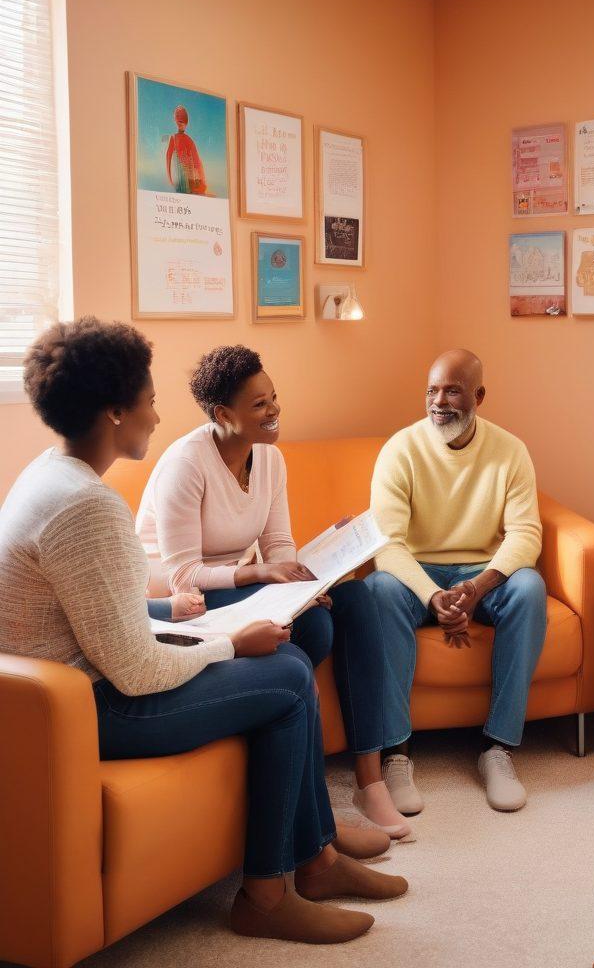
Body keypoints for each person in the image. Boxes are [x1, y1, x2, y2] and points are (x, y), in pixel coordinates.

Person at [0, 318, 408, 945]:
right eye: (149, 401)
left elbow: (96, 616)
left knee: (298, 651)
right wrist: (227, 642)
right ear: (114, 412)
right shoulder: (89, 507)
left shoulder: (49, 475)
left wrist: (173, 617)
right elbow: (135, 672)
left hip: (80, 678)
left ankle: (316, 859)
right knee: (290, 677)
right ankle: (271, 895)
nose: (157, 417)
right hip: (90, 704)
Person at [135, 345, 412, 842]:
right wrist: (259, 576)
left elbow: (279, 545)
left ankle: (370, 780)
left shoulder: (270, 459)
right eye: (259, 404)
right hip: (183, 602)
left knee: (351, 601)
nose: (274, 410)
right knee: (310, 630)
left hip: (243, 585)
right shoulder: (186, 463)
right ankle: (305, 792)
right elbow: (182, 576)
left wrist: (312, 577)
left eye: (274, 398)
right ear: (223, 414)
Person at [366, 349, 546, 814]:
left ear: (479, 396)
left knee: (528, 587)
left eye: (452, 390)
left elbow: (526, 533)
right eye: (432, 390)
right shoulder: (400, 450)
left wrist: (478, 588)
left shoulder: (510, 450)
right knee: (378, 590)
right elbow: (386, 545)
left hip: (480, 573)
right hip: (417, 573)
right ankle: (396, 753)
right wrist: (433, 594)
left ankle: (498, 748)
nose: (439, 401)